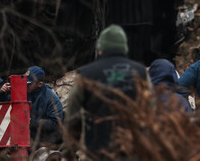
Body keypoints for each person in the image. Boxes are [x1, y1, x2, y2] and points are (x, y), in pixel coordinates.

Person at [64, 24, 150, 159]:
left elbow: (72, 118)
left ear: (100, 50)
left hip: (96, 153)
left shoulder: (86, 74)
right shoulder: (140, 72)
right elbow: (151, 111)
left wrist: (68, 152)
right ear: (124, 48)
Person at [25, 66, 64, 146]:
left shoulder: (51, 98)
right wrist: (3, 93)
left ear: (39, 84)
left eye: (29, 84)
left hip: (43, 142)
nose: (25, 85)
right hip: (25, 139)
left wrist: (32, 122)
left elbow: (55, 123)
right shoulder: (25, 92)